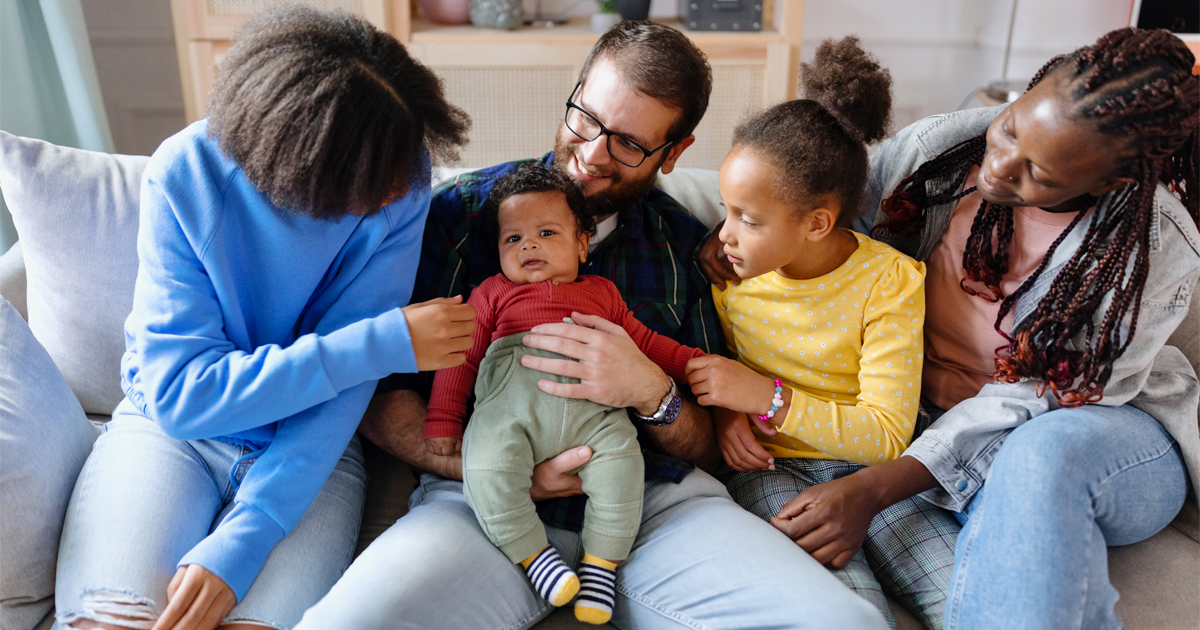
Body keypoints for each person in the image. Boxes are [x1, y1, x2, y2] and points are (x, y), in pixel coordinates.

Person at [299, 20, 887, 630]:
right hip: (481, 506)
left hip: (659, 508)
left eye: (629, 144)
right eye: (586, 117)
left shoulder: (687, 248)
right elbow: (371, 393)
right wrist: (500, 474)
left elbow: (712, 445)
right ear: (576, 90)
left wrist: (652, 394)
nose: (592, 153)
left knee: (847, 622)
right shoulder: (458, 215)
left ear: (675, 153)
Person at [696, 26, 1200, 630]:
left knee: (1041, 456)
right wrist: (733, 233)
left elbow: (1044, 398)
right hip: (928, 422)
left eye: (1038, 172)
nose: (1000, 166)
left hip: (1096, 431)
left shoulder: (1152, 243)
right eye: (1010, 127)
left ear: (1108, 181)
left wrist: (881, 486)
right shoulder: (941, 151)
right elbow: (812, 204)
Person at [53, 7, 473, 630]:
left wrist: (245, 540)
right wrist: (381, 344)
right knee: (110, 620)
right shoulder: (186, 174)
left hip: (312, 449)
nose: (396, 191)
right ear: (300, 166)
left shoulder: (402, 178)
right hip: (173, 438)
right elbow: (182, 399)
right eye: (372, 180)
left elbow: (338, 399)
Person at [684, 37, 958, 630]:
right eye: (725, 211)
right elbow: (710, 370)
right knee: (848, 616)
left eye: (746, 219)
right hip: (770, 476)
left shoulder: (890, 282)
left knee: (971, 602)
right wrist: (729, 414)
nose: (725, 234)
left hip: (874, 480)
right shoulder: (727, 272)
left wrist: (763, 398)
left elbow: (887, 434)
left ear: (817, 223)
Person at [425, 163, 707, 624]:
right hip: (510, 412)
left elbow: (649, 346)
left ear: (582, 243)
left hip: (593, 418)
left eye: (546, 232)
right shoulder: (491, 294)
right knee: (487, 469)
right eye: (512, 239)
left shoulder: (603, 294)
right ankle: (535, 557)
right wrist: (442, 420)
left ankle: (600, 567)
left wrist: (694, 364)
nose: (528, 245)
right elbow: (461, 358)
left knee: (622, 467)